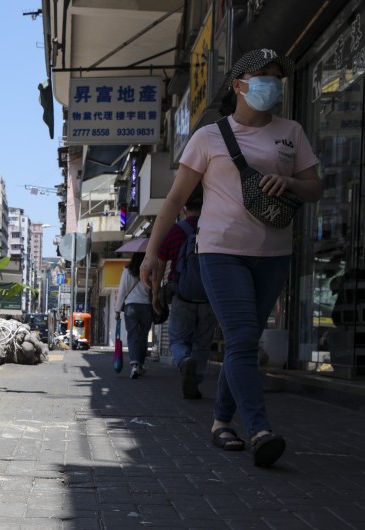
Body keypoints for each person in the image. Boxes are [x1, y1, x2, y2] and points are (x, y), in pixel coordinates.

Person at [141, 48, 322, 467]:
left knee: (242, 343)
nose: (271, 83)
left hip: (274, 253)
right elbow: (174, 200)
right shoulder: (208, 137)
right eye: (262, 75)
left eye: (277, 76)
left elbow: (315, 189)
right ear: (240, 84)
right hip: (221, 252)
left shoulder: (291, 131)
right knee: (242, 338)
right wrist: (153, 254)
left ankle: (221, 422)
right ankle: (259, 429)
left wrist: (290, 180)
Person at [152, 185, 217, 400]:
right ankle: (195, 382)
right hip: (209, 296)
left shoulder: (175, 231)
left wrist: (155, 295)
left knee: (178, 340)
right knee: (203, 343)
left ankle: (183, 360)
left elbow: (160, 266)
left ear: (185, 208)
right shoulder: (214, 228)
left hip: (182, 295)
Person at [115, 251, 153, 379]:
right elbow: (154, 288)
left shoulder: (127, 271)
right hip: (146, 306)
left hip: (131, 306)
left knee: (133, 335)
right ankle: (141, 364)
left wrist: (117, 310)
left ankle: (134, 365)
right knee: (142, 337)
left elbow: (122, 291)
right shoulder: (150, 270)